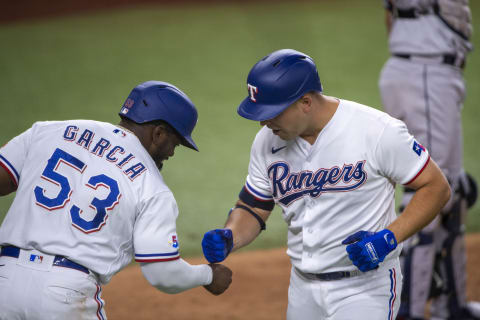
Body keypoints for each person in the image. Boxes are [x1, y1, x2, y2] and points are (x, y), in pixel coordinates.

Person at [201, 48, 451, 320]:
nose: (263, 121)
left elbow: (436, 187)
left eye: (272, 112)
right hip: (302, 289)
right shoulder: (266, 142)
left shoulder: (376, 131)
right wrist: (230, 236)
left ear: (306, 102)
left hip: (364, 288)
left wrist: (387, 239)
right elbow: (253, 207)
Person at [0, 80, 232, 319]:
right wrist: (209, 276)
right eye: (174, 143)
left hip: (4, 283)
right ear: (159, 133)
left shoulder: (47, 130)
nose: (172, 152)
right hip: (66, 295)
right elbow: (163, 273)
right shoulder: (152, 186)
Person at [378, 1, 479, 319]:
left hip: (426, 72)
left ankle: (449, 306)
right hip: (425, 73)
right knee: (431, 191)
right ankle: (407, 309)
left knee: (453, 189)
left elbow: (389, 17)